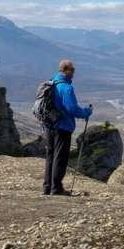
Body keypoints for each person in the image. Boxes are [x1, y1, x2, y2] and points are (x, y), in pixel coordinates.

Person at [43, 59, 93, 196]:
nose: (74, 73)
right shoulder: (66, 87)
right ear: (66, 70)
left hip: (49, 125)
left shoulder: (51, 83)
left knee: (51, 156)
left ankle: (47, 187)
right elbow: (72, 109)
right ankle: (56, 188)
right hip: (62, 126)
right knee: (60, 157)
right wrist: (86, 112)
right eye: (73, 70)